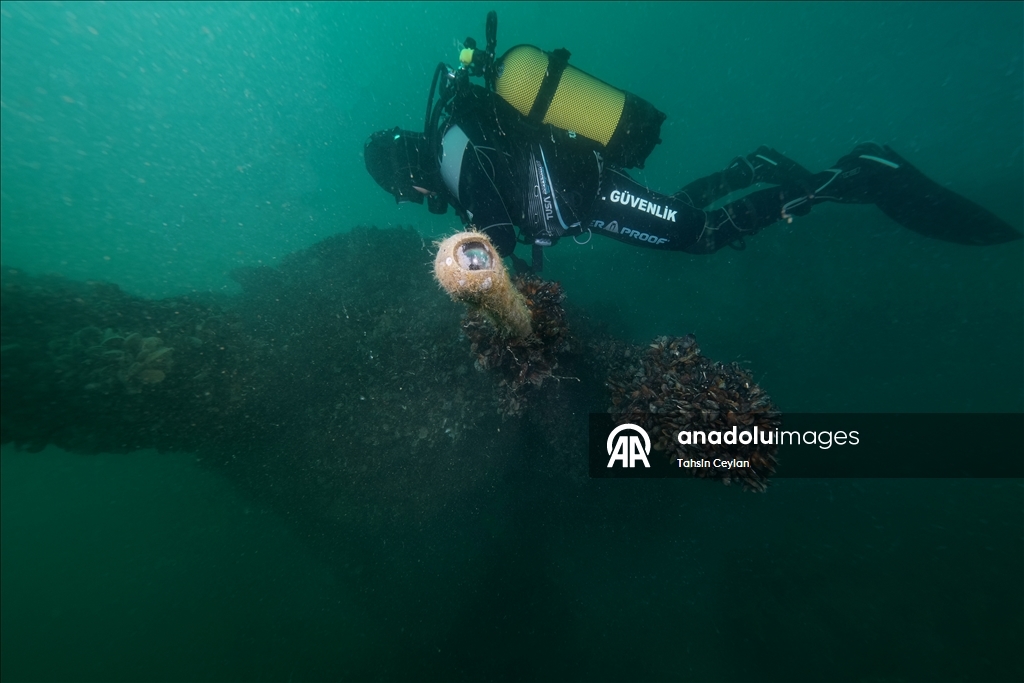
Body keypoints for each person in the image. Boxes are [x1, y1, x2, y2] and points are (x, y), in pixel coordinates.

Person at [364, 29, 1020, 273]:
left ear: (404, 175)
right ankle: (750, 168)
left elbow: (499, 234)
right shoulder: (454, 136)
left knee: (698, 235)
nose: (410, 199)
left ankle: (847, 173)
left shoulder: (452, 149)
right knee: (677, 213)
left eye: (400, 190)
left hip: (588, 193)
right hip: (584, 188)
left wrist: (472, 276)